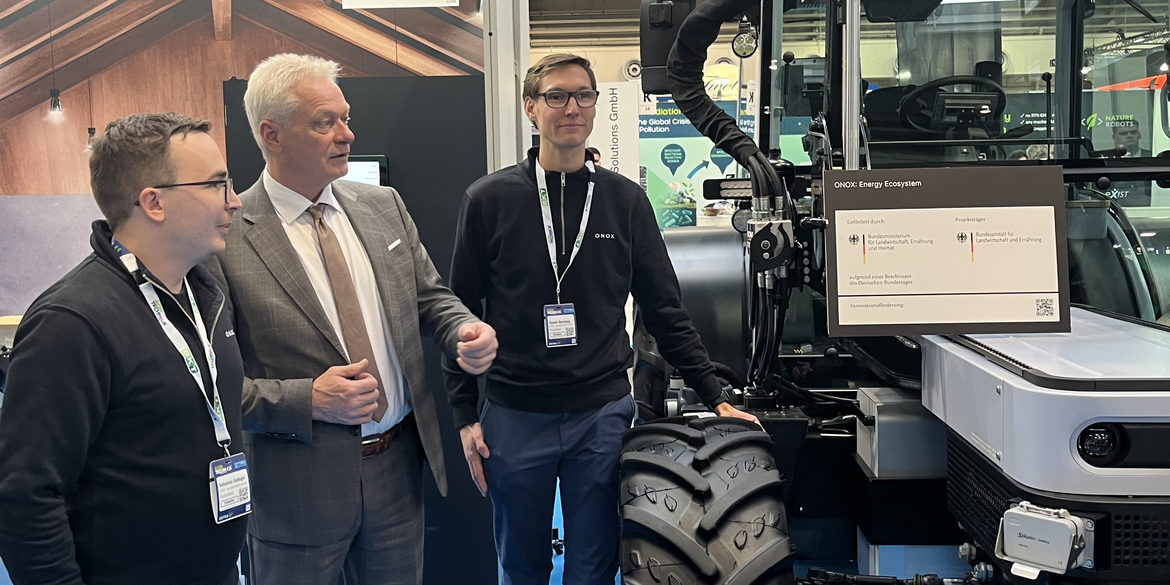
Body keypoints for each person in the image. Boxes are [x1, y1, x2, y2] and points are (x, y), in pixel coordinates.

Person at [444, 53, 760, 585]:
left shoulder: (625, 201)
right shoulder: (489, 200)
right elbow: (459, 312)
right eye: (556, 96)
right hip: (515, 414)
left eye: (583, 95)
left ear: (595, 105)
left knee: (596, 566)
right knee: (522, 565)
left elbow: (664, 308)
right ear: (530, 108)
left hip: (602, 413)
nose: (572, 107)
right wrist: (464, 414)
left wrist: (716, 395)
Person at [205, 53, 496, 585]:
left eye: (345, 116)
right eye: (326, 122)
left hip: (397, 471)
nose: (347, 133)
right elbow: (212, 389)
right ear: (272, 134)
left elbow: (430, 297)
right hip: (294, 491)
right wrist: (308, 399)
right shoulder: (225, 241)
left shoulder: (382, 204)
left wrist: (462, 331)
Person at [0, 113, 247, 585]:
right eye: (217, 185)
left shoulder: (204, 296)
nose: (234, 201)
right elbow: (26, 496)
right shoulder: (72, 323)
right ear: (153, 202)